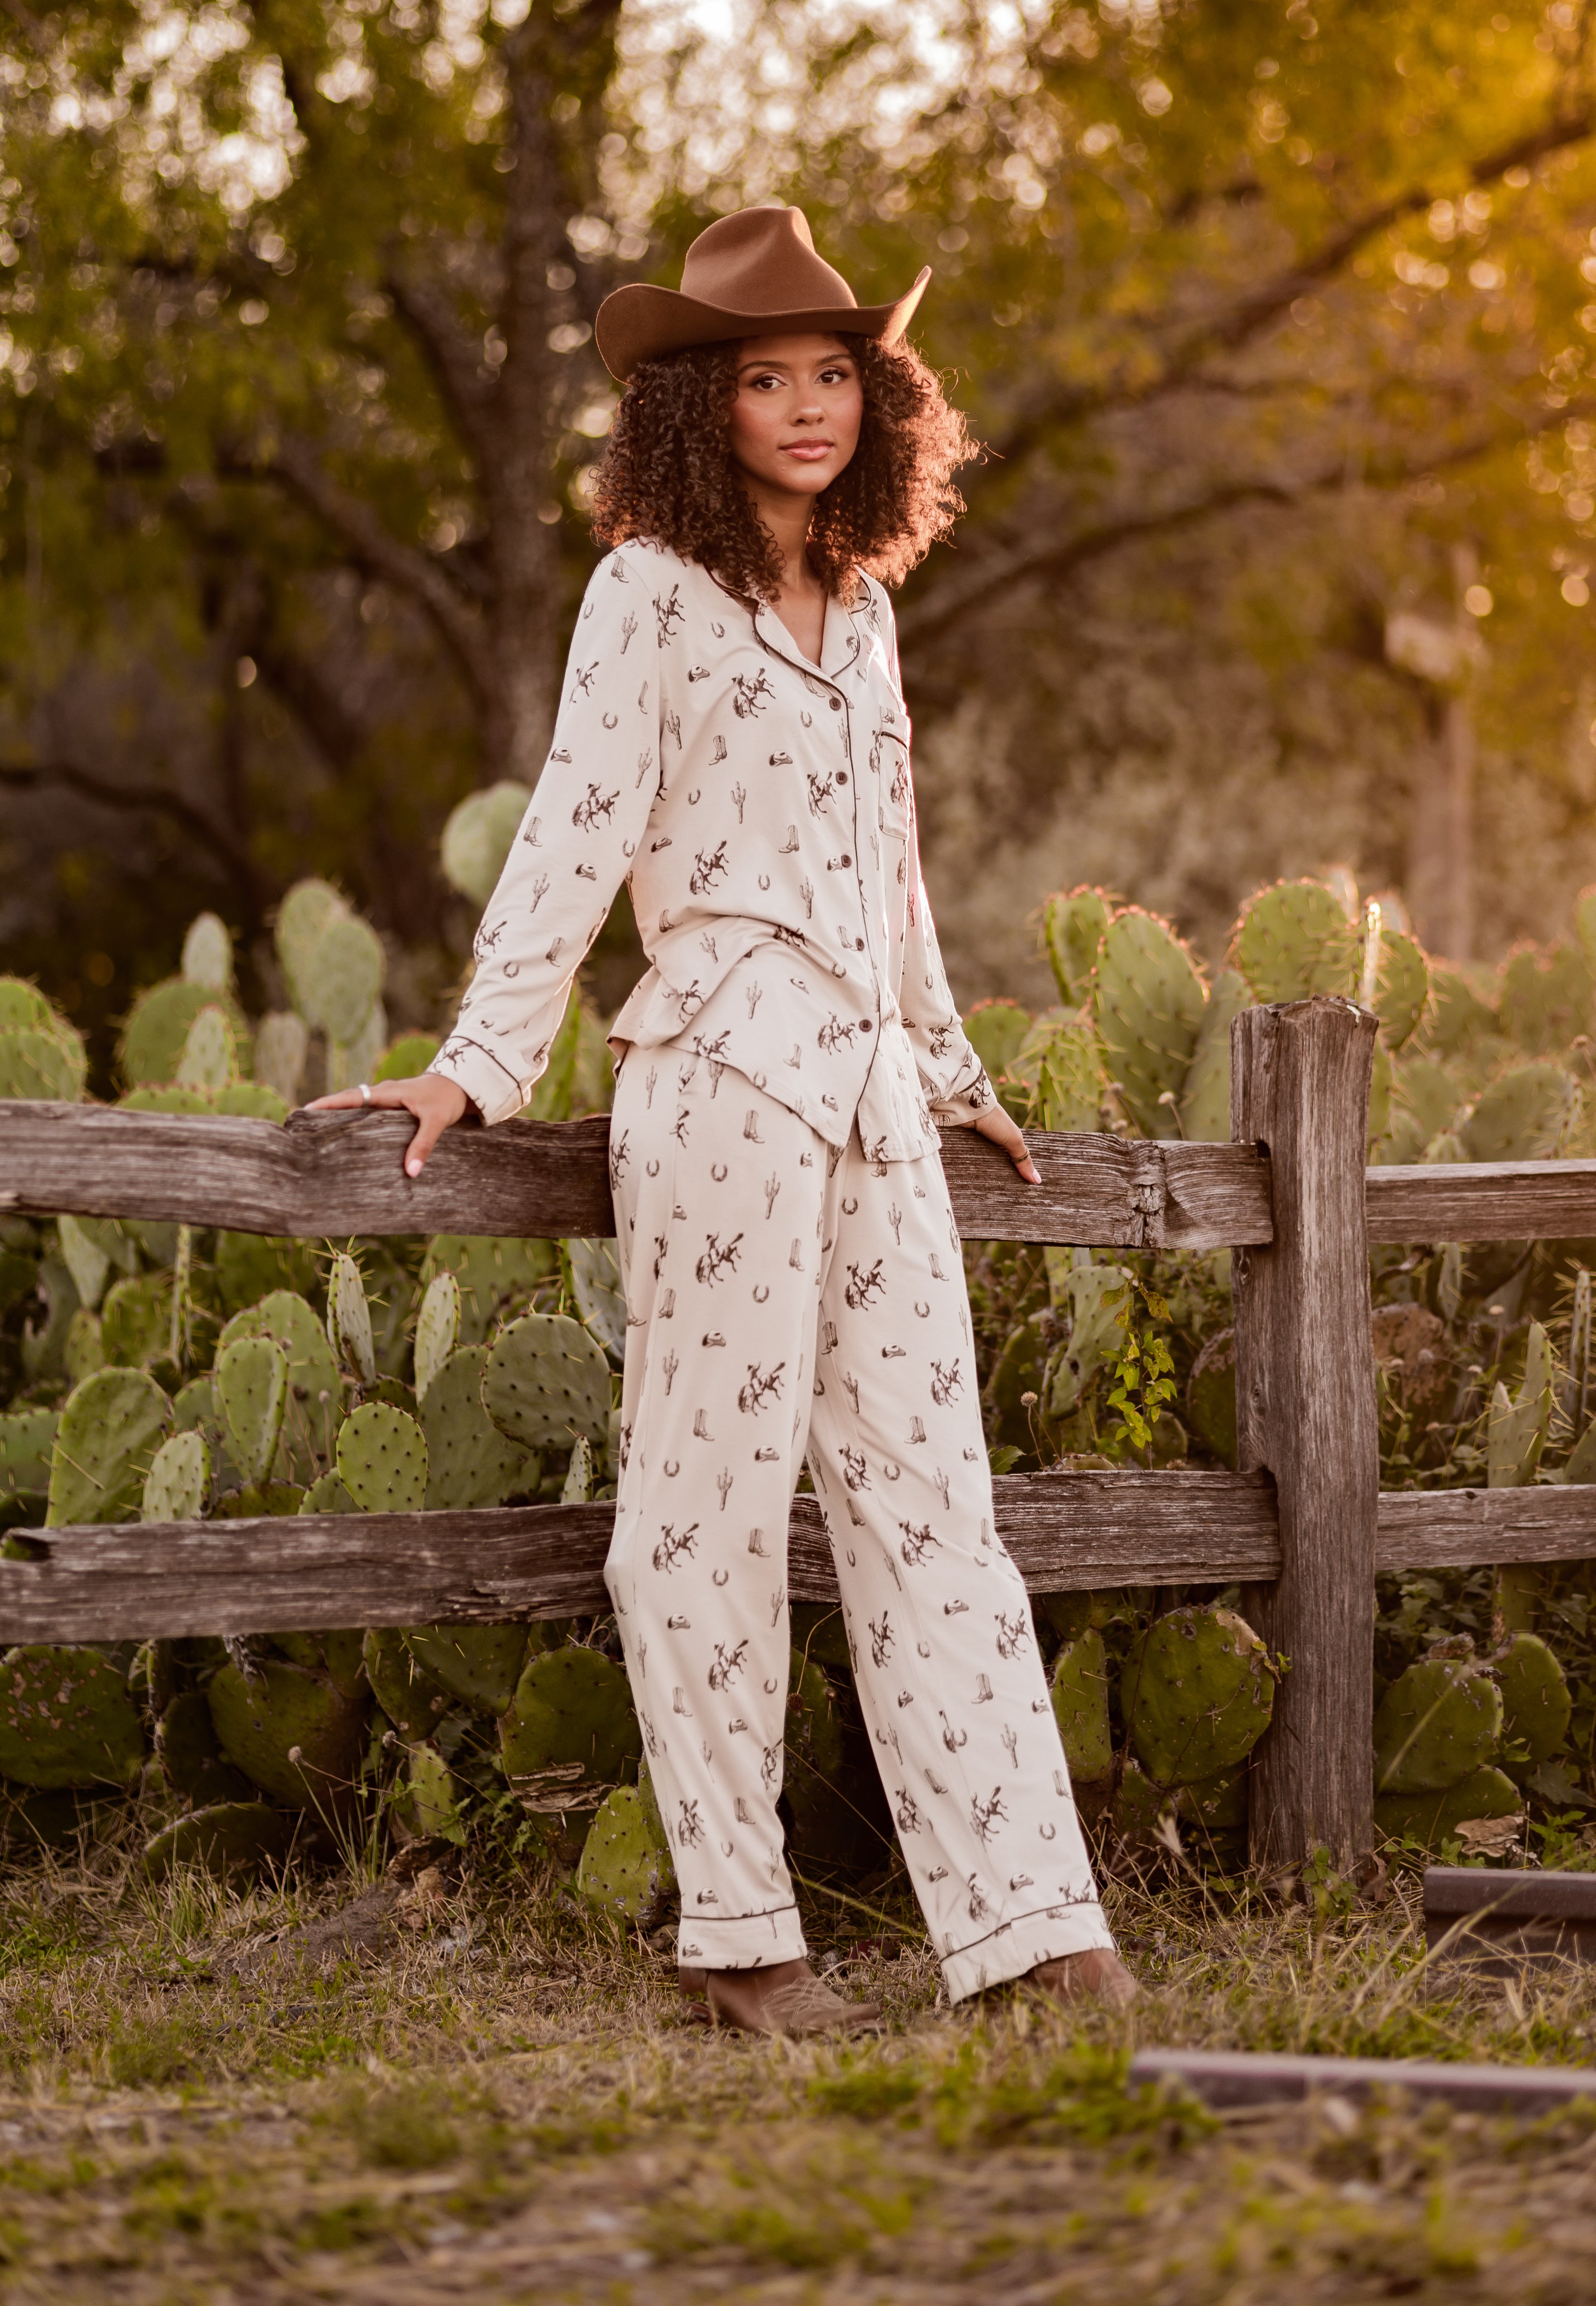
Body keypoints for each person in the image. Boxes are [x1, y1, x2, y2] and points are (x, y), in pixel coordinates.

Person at [314, 205, 1135, 2035]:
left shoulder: (873, 615)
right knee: (703, 1518)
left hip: (869, 1108)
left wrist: (953, 1074)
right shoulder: (643, 598)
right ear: (701, 408)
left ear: (879, 396)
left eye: (833, 373)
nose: (805, 407)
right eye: (764, 379)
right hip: (717, 1094)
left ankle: (1031, 1932)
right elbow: (574, 834)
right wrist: (480, 1063)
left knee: (939, 1513)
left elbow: (896, 880)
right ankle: (743, 1944)